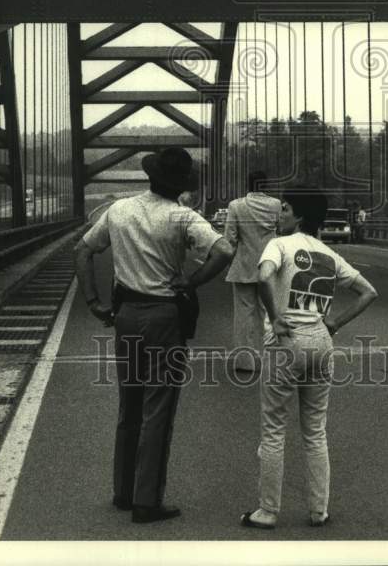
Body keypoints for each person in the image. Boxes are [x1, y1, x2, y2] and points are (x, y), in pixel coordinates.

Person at [74, 147, 234, 524]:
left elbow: (82, 251)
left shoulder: (119, 210)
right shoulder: (182, 216)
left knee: (128, 406)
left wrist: (94, 301)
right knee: (157, 408)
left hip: (126, 314)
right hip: (164, 317)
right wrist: (190, 281)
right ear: (180, 184)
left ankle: (123, 492)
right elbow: (224, 250)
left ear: (150, 176)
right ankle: (148, 501)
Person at [241, 187, 378, 530]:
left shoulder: (279, 245)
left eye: (284, 209)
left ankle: (268, 512)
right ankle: (319, 511)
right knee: (315, 431)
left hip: (286, 342)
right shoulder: (328, 255)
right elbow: (368, 292)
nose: (279, 214)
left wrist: (276, 317)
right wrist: (334, 322)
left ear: (298, 216)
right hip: (320, 340)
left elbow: (263, 277)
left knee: (274, 430)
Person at [223, 170, 281, 372]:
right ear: (265, 185)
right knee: (268, 313)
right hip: (270, 266)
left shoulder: (236, 206)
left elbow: (230, 239)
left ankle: (245, 362)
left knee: (243, 316)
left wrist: (226, 263)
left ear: (247, 184)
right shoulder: (276, 205)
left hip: (243, 267)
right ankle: (269, 359)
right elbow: (282, 233)